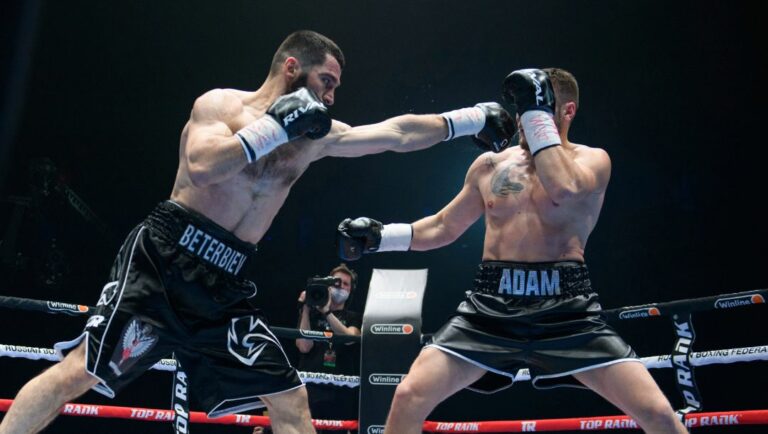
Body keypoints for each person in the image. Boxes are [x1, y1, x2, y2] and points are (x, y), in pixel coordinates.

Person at [0, 30, 515, 434]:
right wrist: (275, 127)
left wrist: (468, 119)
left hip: (224, 284)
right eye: (327, 81)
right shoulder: (222, 106)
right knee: (79, 373)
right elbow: (203, 167)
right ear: (293, 68)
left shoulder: (315, 139)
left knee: (290, 397)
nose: (332, 96)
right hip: (163, 260)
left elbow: (395, 133)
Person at [336, 68, 689, 433]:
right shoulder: (490, 165)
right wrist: (381, 236)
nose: (521, 117)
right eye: (523, 107)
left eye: (536, 106)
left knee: (658, 414)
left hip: (566, 311)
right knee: (410, 395)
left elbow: (564, 189)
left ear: (566, 111)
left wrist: (537, 113)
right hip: (489, 308)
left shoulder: (593, 161)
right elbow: (443, 226)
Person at [295, 263, 361, 434]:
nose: (341, 287)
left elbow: (350, 338)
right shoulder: (311, 315)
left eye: (345, 284)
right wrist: (306, 309)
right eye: (337, 282)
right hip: (311, 388)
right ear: (328, 285)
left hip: (340, 392)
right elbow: (303, 346)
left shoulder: (353, 317)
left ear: (351, 290)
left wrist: (327, 312)